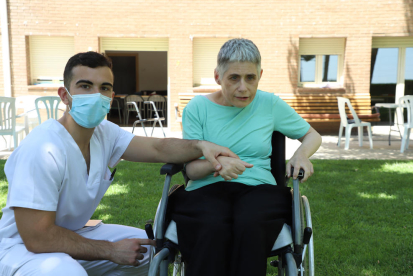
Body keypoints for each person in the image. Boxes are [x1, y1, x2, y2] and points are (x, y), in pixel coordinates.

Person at [0, 52, 239, 276]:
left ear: (111, 97)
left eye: (104, 88)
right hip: (22, 248)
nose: (96, 94)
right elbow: (37, 237)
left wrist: (201, 147)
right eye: (85, 86)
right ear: (64, 95)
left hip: (72, 234)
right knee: (65, 272)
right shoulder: (42, 149)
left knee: (152, 251)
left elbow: (157, 148)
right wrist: (111, 250)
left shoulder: (104, 133)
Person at [168, 38, 322, 276]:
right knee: (211, 226)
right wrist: (217, 165)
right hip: (206, 188)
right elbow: (191, 171)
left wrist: (301, 154)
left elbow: (312, 135)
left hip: (260, 189)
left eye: (250, 78)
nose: (243, 87)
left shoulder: (269, 104)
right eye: (234, 78)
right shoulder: (197, 108)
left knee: (250, 224)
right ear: (218, 77)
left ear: (259, 75)